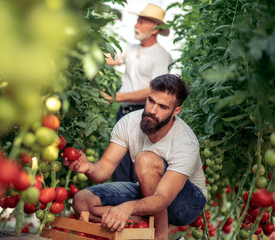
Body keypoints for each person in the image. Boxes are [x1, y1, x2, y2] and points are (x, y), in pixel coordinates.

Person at [63, 74, 207, 240]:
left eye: (162, 107)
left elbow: (162, 198)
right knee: (81, 201)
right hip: (148, 192)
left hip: (186, 203)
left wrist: (129, 207)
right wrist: (88, 167)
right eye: (151, 101)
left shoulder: (185, 142)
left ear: (176, 111)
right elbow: (104, 170)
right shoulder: (128, 122)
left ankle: (159, 237)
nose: (152, 110)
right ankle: (141, 222)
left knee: (145, 160)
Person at [104, 4, 173, 182]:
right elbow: (109, 58)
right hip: (124, 114)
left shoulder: (161, 55)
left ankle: (138, 209)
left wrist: (116, 97)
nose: (136, 25)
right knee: (120, 166)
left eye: (141, 22)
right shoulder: (131, 48)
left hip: (146, 115)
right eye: (137, 21)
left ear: (155, 29)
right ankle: (119, 207)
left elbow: (155, 92)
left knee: (139, 170)